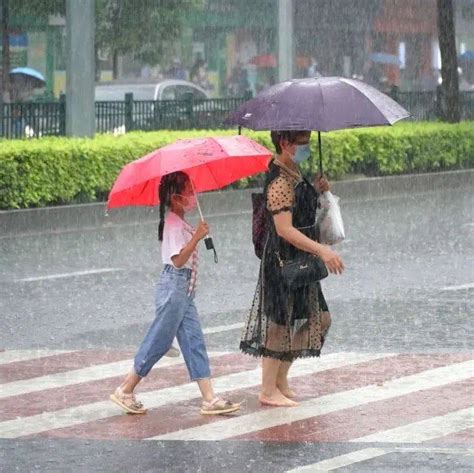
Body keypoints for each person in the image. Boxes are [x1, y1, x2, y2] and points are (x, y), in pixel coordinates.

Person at [111, 171, 241, 416]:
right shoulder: (172, 223)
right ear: (175, 197)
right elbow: (178, 260)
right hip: (174, 286)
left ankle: (209, 398)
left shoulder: (180, 223)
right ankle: (125, 389)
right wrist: (197, 237)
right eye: (188, 192)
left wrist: (196, 234)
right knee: (159, 341)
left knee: (194, 342)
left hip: (185, 290)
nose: (193, 196)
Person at [240, 130, 345, 407]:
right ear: (284, 143)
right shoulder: (280, 182)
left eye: (309, 142)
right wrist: (322, 250)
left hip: (300, 260)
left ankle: (280, 378)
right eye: (302, 143)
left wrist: (319, 189)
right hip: (282, 261)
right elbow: (284, 229)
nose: (306, 148)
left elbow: (301, 212)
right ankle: (267, 389)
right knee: (279, 324)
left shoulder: (293, 171)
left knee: (319, 319)